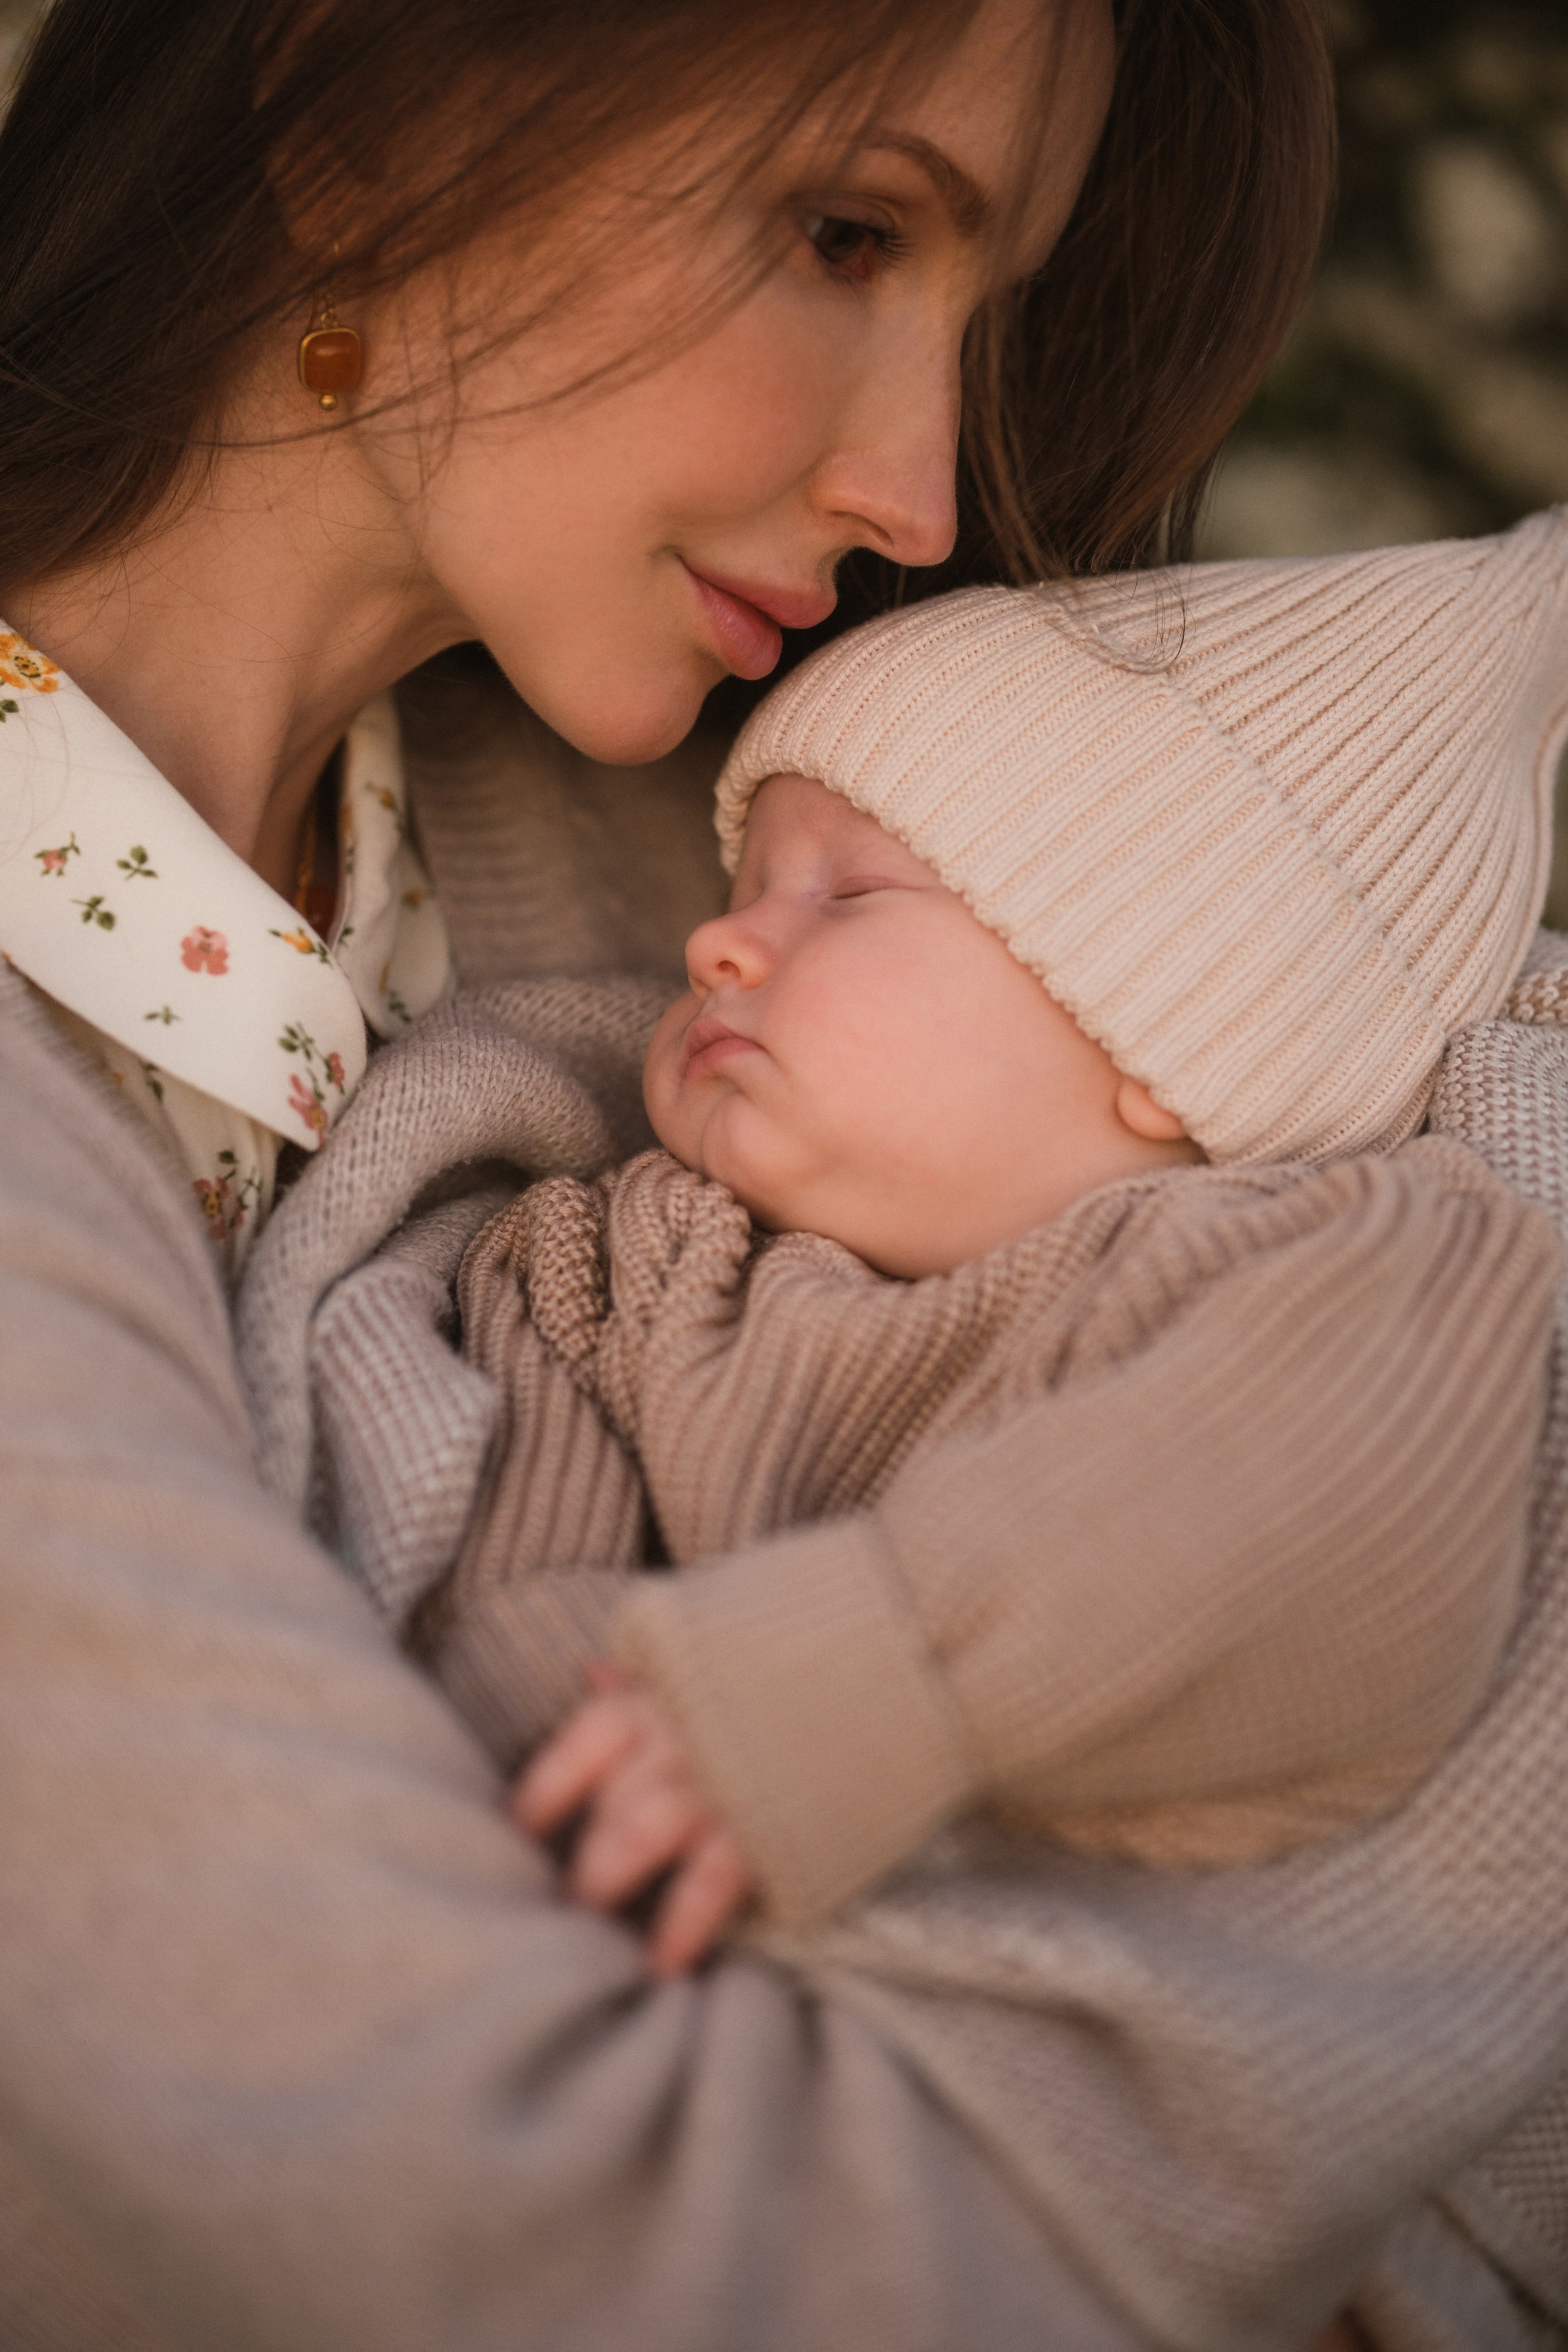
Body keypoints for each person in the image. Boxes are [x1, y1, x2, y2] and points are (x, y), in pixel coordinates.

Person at [3, 0, 1560, 2346]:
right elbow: (605, 2239)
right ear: (351, 96)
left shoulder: (829, 837)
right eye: (847, 228)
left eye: (993, 308)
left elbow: (1429, 1290)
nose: (927, 499)